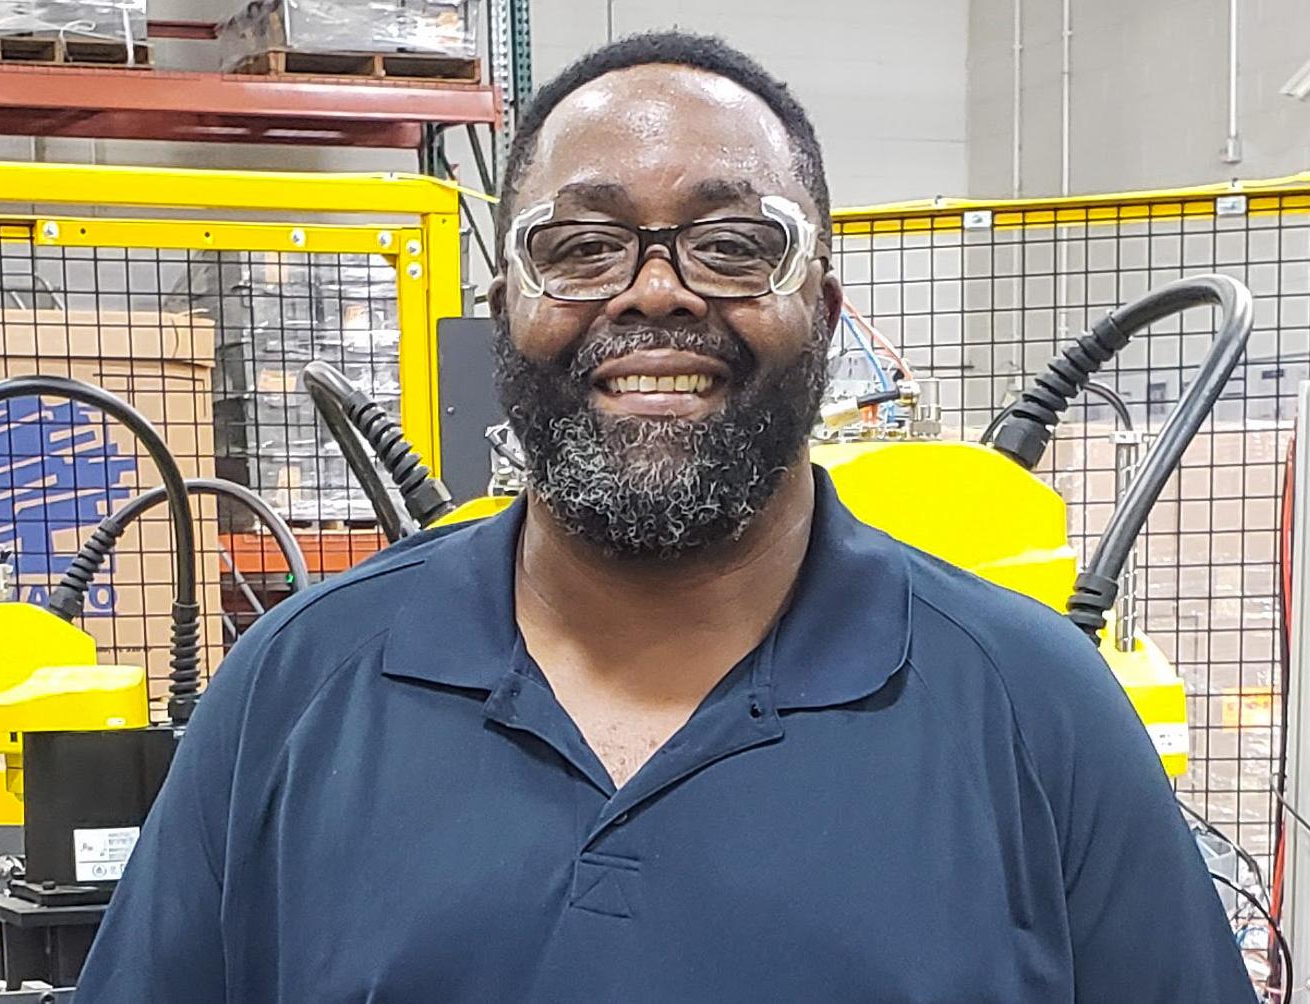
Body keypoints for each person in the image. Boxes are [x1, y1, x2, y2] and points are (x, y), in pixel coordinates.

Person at [75, 31, 1255, 1003]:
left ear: (826, 308)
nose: (653, 288)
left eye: (734, 243)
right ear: (505, 308)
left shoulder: (1035, 706)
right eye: (579, 246)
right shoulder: (297, 687)